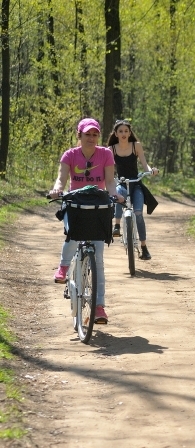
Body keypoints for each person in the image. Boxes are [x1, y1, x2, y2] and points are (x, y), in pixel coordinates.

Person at [49, 118, 122, 325]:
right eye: (87, 134)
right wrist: (57, 190)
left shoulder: (105, 154)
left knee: (98, 259)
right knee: (73, 234)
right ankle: (63, 267)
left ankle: (99, 307)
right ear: (79, 135)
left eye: (95, 134)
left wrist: (115, 195)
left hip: (98, 205)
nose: (91, 138)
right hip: (76, 202)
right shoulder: (70, 155)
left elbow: (109, 181)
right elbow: (61, 179)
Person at [107, 119, 159, 260]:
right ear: (116, 134)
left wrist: (151, 170)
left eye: (126, 131)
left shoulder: (136, 146)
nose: (123, 134)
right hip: (121, 183)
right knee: (117, 195)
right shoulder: (111, 150)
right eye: (120, 131)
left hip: (136, 183)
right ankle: (117, 226)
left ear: (130, 133)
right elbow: (107, 168)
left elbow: (144, 164)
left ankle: (143, 246)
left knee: (138, 213)